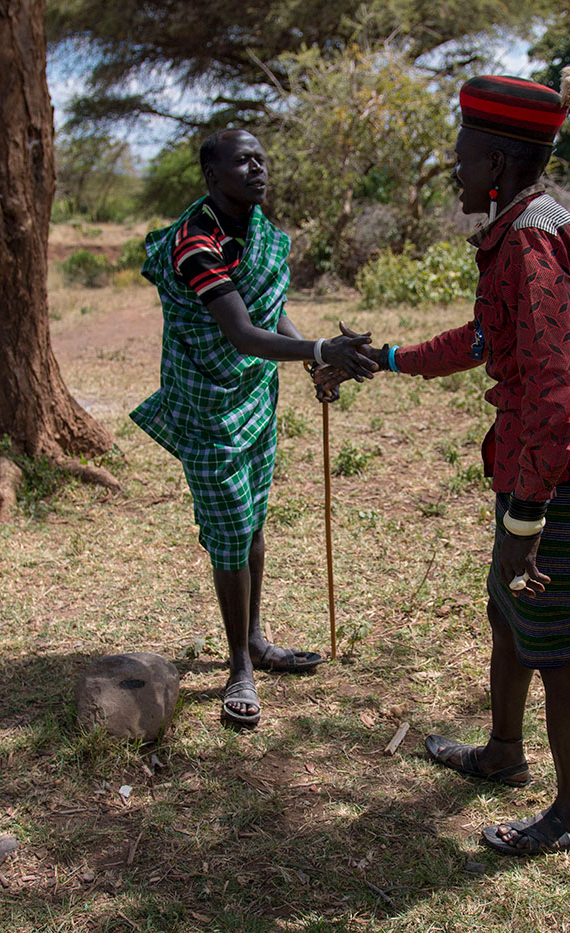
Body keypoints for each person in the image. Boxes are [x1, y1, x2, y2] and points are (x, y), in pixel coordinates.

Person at [316, 69, 570, 855]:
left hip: (562, 470)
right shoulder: (520, 225)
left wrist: (526, 514)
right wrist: (384, 356)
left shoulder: (529, 237)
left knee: (553, 637)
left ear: (495, 162)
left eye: (460, 154)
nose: (453, 168)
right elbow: (486, 340)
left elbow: (558, 391)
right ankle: (501, 750)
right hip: (540, 463)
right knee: (507, 604)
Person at [130, 128, 376, 729]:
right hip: (207, 400)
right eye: (243, 161)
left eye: (262, 159)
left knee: (253, 523)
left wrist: (314, 358)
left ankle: (257, 640)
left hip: (253, 395)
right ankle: (239, 663)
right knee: (230, 529)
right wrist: (321, 347)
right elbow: (240, 332)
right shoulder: (195, 241)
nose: (258, 169)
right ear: (213, 176)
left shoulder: (261, 235)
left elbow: (268, 315)